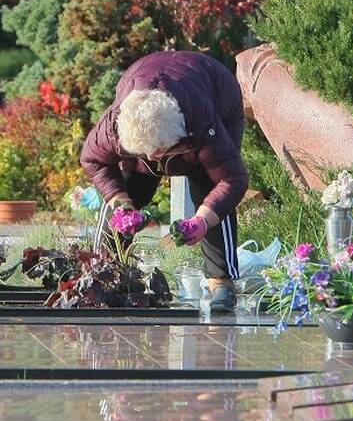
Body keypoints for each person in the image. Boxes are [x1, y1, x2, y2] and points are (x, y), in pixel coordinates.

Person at [80, 51, 249, 312]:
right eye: (144, 153)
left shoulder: (202, 121)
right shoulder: (115, 125)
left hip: (215, 99)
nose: (151, 158)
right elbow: (93, 159)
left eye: (158, 152)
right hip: (147, 120)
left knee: (211, 192)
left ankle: (222, 284)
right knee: (128, 192)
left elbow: (231, 179)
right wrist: (119, 200)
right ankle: (102, 269)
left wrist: (202, 219)